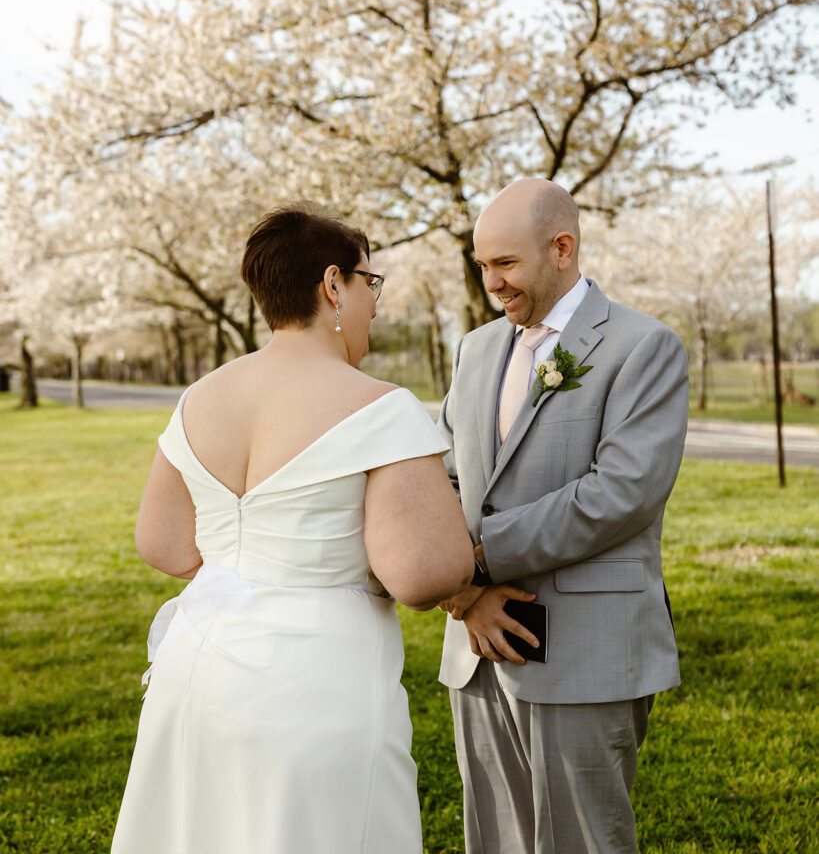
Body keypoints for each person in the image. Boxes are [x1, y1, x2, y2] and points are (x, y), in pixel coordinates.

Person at [111, 204, 474, 854]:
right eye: (371, 282)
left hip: (198, 671)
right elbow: (422, 574)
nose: (374, 302)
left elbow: (162, 543)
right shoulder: (379, 407)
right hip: (316, 682)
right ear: (332, 284)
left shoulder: (201, 396)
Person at [437, 178, 688, 854]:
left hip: (588, 646)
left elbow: (622, 493)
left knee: (584, 841)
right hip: (478, 643)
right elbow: (447, 477)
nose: (491, 281)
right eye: (481, 265)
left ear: (562, 248)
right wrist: (463, 595)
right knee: (493, 837)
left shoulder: (643, 346)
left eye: (505, 264)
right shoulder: (475, 350)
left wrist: (478, 556)